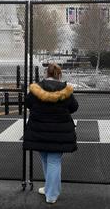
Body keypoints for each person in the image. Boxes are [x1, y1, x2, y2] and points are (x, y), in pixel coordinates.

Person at [23, 63, 79, 204]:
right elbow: (74, 107)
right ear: (59, 75)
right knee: (54, 161)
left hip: (39, 129)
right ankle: (51, 192)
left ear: (46, 73)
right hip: (60, 131)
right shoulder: (65, 90)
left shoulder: (37, 89)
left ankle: (50, 189)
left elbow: (28, 103)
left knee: (45, 160)